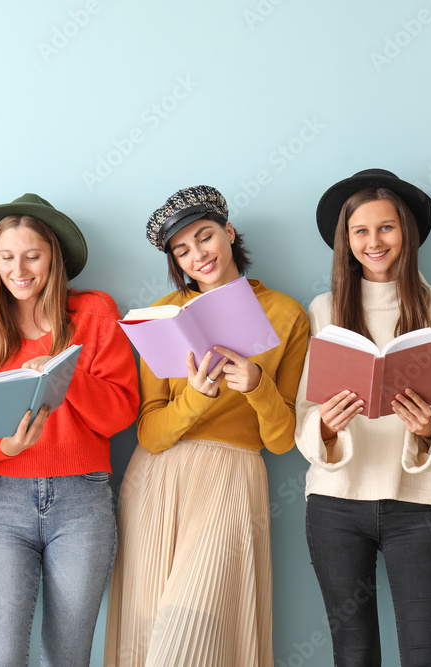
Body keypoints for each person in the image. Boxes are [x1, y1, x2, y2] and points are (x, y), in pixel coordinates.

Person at [104, 185, 309, 667]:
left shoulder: (287, 313)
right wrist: (199, 395)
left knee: (188, 646)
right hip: (156, 483)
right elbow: (151, 434)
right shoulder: (163, 316)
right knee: (143, 639)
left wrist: (257, 385)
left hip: (232, 481)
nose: (198, 255)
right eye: (183, 250)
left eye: (205, 237)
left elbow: (282, 441)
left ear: (229, 232)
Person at [0, 193, 139, 667]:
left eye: (32, 255)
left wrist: (63, 374)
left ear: (53, 256)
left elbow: (120, 413)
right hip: (1, 502)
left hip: (83, 500)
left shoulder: (94, 313)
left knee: (68, 657)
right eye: (7, 257)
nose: (20, 268)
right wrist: (8, 446)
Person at [294, 169, 431, 666]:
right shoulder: (325, 309)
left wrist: (430, 424)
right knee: (354, 654)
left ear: (407, 233)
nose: (374, 241)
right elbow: (307, 410)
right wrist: (325, 426)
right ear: (346, 242)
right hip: (335, 503)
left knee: (428, 653)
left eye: (386, 227)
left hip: (417, 504)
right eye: (361, 231)